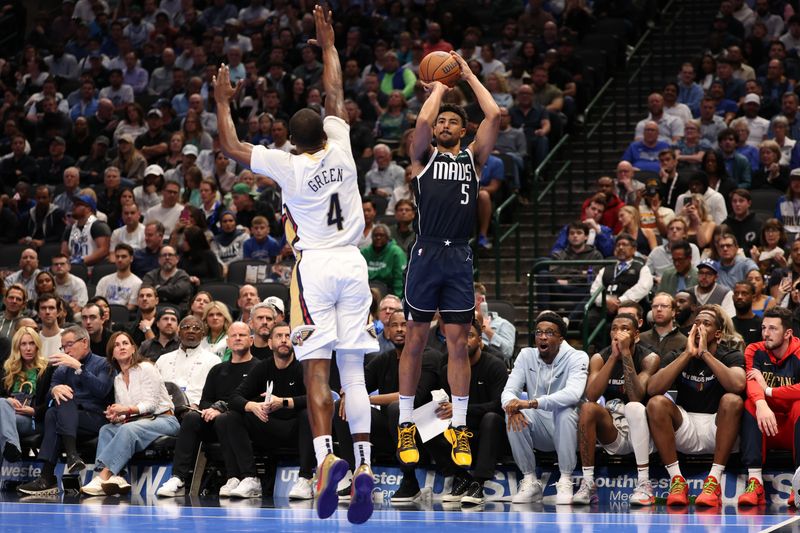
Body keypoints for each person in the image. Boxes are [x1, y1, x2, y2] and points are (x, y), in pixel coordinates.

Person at [212, 7, 381, 523]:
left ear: (292, 141)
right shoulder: (345, 147)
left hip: (314, 267)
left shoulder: (287, 165)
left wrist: (221, 102)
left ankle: (328, 455)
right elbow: (334, 91)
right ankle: (366, 463)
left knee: (316, 365)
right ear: (328, 133)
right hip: (354, 263)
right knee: (353, 369)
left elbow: (232, 145)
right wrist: (328, 46)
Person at [394, 40, 500, 490]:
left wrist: (468, 75)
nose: (444, 124)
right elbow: (420, 120)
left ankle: (457, 425)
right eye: (441, 121)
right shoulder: (421, 159)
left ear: (463, 130)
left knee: (458, 341)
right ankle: (404, 423)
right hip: (425, 252)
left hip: (458, 253)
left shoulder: (473, 159)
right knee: (415, 339)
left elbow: (494, 115)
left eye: (454, 121)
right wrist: (437, 87)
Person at [646, 305, 745, 506]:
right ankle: (677, 481)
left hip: (719, 427)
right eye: (696, 323)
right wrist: (688, 355)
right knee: (656, 403)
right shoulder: (677, 354)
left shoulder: (731, 355)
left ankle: (713, 480)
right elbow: (652, 389)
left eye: (706, 324)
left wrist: (705, 354)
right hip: (686, 425)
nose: (699, 327)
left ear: (717, 334)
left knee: (732, 400)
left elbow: (737, 385)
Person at [155, 322, 260, 498]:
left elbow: (257, 400)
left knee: (226, 418)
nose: (238, 338)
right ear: (228, 341)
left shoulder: (258, 367)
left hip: (244, 422)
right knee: (191, 418)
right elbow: (205, 400)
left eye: (242, 335)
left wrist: (221, 408)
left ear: (251, 340)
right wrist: (209, 408)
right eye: (234, 335)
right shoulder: (218, 369)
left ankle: (237, 476)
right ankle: (178, 478)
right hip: (217, 422)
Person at [215, 322, 312, 499]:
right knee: (230, 417)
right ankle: (250, 478)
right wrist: (253, 405)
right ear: (270, 344)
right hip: (268, 425)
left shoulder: (303, 368)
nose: (284, 340)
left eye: (287, 337)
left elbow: (316, 398)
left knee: (308, 414)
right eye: (279, 336)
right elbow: (235, 397)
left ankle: (306, 479)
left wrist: (283, 402)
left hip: (296, 428)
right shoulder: (262, 367)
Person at [574, 313, 660, 506]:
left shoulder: (649, 358)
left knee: (634, 407)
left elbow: (636, 396)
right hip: (615, 431)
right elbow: (592, 395)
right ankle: (588, 483)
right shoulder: (599, 357)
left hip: (644, 432)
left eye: (624, 329)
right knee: (588, 408)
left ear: (636, 335)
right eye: (614, 328)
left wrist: (627, 354)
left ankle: (644, 483)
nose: (618, 333)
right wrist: (613, 357)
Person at [16, 326, 114, 496]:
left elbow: (102, 390)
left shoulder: (104, 364)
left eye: (69, 345)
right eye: (63, 347)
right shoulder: (61, 369)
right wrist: (53, 391)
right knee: (55, 408)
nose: (66, 350)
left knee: (60, 406)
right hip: (67, 421)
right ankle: (72, 456)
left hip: (95, 419)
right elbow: (46, 399)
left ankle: (47, 477)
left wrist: (79, 368)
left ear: (84, 342)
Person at [80, 331, 179, 496]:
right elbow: (127, 413)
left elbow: (151, 405)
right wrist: (116, 415)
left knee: (127, 430)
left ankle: (102, 476)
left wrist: (125, 410)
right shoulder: (118, 379)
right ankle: (117, 477)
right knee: (107, 429)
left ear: (133, 348)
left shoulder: (147, 368)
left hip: (165, 419)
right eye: (117, 345)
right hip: (140, 422)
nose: (121, 347)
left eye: (125, 343)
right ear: (112, 354)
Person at [503, 312, 588, 504]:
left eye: (549, 333)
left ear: (560, 338)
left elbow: (573, 394)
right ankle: (530, 481)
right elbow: (508, 391)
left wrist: (532, 403)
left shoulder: (577, 357)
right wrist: (512, 407)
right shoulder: (526, 355)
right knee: (513, 413)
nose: (542, 337)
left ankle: (565, 479)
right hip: (539, 427)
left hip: (569, 430)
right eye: (539, 332)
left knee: (565, 411)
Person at [740, 307, 800, 506]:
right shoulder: (754, 349)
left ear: (788, 333)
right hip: (765, 422)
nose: (766, 333)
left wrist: (769, 391)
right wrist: (761, 402)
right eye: (764, 327)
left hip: (792, 423)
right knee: (750, 403)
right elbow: (750, 382)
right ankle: (755, 482)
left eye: (773, 328)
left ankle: (799, 484)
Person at [0, 327, 53, 464]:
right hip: (9, 417)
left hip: (35, 420)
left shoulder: (47, 370)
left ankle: (12, 447)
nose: (28, 348)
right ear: (17, 347)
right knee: (2, 403)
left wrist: (34, 411)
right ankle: (11, 447)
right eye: (23, 344)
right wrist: (8, 401)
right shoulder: (8, 369)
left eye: (32, 343)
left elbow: (52, 403)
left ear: (37, 346)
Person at [155, 315, 220, 407]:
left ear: (202, 335)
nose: (191, 331)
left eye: (196, 328)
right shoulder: (163, 359)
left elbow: (215, 393)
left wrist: (197, 405)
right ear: (178, 332)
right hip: (165, 409)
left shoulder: (213, 360)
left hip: (197, 410)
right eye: (186, 327)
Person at [62, 193, 111, 267]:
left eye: (78, 205)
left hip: (94, 269)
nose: (74, 207)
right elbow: (64, 252)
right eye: (74, 204)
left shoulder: (99, 226)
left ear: (88, 209)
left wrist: (82, 261)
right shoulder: (69, 229)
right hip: (73, 268)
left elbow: (103, 250)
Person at [361, 223, 407, 298]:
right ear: (372, 238)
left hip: (388, 289)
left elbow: (399, 278)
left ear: (388, 238)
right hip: (367, 287)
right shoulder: (364, 252)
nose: (378, 238)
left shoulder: (396, 252)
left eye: (381, 235)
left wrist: (398, 298)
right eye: (375, 235)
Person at [142, 245, 193, 311]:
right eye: (164, 255)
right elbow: (145, 291)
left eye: (170, 255)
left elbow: (176, 292)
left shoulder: (183, 276)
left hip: (177, 313)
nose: (167, 257)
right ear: (159, 259)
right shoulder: (150, 275)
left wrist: (157, 288)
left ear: (177, 259)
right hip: (154, 312)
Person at [94, 244, 142, 311]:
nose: (120, 260)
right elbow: (97, 303)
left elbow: (131, 307)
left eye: (123, 257)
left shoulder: (137, 283)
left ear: (131, 258)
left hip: (123, 317)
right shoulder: (104, 280)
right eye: (117, 256)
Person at [733, 281, 764, 345]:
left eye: (744, 293)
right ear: (732, 297)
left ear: (753, 297)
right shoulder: (728, 324)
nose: (739, 297)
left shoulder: (761, 324)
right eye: (736, 293)